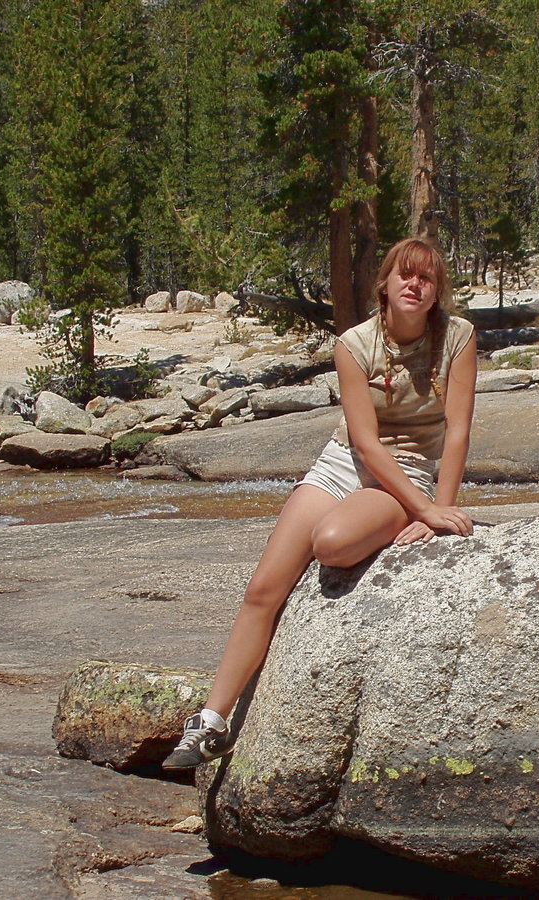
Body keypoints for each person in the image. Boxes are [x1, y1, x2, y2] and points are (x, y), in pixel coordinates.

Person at [163, 238, 477, 770]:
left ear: (436, 290)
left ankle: (397, 508)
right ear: (385, 282)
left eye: (425, 278)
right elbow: (366, 442)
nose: (414, 285)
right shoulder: (354, 344)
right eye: (404, 275)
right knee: (264, 587)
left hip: (413, 471)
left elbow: (459, 431)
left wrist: (436, 510)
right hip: (347, 462)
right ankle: (211, 722)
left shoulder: (458, 338)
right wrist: (423, 511)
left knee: (331, 543)